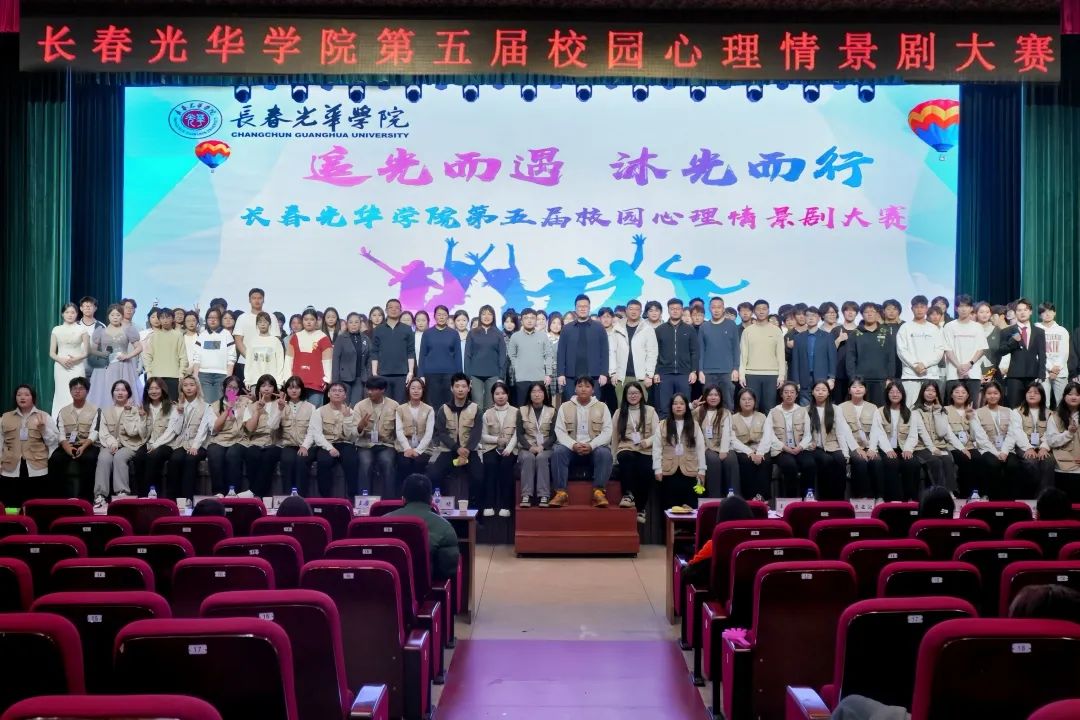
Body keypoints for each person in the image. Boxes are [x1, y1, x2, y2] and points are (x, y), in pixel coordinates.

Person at [551, 376, 614, 508]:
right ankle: (561, 493)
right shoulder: (564, 407)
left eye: (587, 386)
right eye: (580, 386)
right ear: (575, 389)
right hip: (571, 449)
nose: (583, 389)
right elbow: (560, 431)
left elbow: (607, 432)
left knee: (605, 453)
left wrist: (592, 445)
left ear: (593, 390)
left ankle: (598, 493)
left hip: (593, 449)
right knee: (558, 451)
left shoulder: (602, 407)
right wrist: (573, 445)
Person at [387, 474, 461, 582]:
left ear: (403, 499)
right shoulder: (445, 527)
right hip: (425, 589)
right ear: (431, 500)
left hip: (385, 588)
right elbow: (449, 570)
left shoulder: (382, 521)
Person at [426, 373, 483, 507]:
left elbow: (476, 432)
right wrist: (457, 448)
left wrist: (466, 450)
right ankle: (438, 506)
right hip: (449, 450)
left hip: (470, 452)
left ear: (469, 388)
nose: (460, 389)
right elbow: (441, 432)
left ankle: (475, 509)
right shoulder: (443, 409)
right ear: (451, 388)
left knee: (479, 477)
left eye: (463, 386)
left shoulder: (476, 409)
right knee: (433, 474)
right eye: (457, 386)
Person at [93, 380, 144, 507]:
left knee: (120, 457)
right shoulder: (105, 411)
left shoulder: (135, 410)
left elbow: (135, 432)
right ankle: (100, 495)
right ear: (113, 393)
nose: (120, 393)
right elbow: (103, 432)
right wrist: (112, 443)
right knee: (103, 458)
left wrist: (128, 413)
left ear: (128, 393)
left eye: (123, 390)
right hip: (110, 444)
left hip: (130, 445)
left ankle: (122, 493)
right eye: (117, 390)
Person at [652, 393, 707, 510]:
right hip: (668, 471)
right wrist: (657, 469)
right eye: (675, 403)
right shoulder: (662, 425)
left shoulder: (694, 425)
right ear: (671, 407)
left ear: (686, 407)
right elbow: (657, 448)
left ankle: (687, 523)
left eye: (681, 404)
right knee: (670, 506)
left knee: (689, 506)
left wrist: (702, 470)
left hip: (690, 470)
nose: (678, 406)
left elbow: (700, 449)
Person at [48, 377, 100, 499]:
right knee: (55, 459)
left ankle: (86, 499)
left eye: (81, 388)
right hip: (67, 445)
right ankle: (58, 499)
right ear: (70, 391)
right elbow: (60, 433)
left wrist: (83, 446)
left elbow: (94, 432)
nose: (77, 391)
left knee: (89, 459)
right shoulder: (63, 411)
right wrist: (67, 448)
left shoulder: (95, 410)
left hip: (87, 445)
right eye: (74, 388)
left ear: (87, 391)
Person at [87, 304, 143, 410]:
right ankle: (105, 416)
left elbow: (139, 347)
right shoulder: (100, 331)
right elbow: (93, 350)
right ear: (108, 316)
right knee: (105, 390)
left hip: (123, 366)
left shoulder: (127, 330)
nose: (115, 317)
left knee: (124, 390)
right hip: (105, 368)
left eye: (118, 315)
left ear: (122, 316)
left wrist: (127, 356)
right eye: (112, 315)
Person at [764, 382, 815, 498]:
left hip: (800, 448)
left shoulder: (802, 411)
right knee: (789, 465)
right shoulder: (773, 412)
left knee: (809, 464)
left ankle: (808, 497)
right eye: (786, 392)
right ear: (781, 394)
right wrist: (785, 447)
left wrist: (800, 447)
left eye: (792, 392)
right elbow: (769, 435)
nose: (789, 395)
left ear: (796, 395)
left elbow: (808, 434)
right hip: (781, 449)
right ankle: (790, 500)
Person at [873, 381, 923, 501]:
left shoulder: (910, 413)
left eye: (898, 392)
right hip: (886, 448)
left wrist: (908, 449)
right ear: (887, 394)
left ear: (902, 394)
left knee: (912, 463)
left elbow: (913, 435)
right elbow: (879, 433)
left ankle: (911, 498)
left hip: (904, 448)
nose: (895, 394)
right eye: (892, 392)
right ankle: (893, 499)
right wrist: (888, 450)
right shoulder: (879, 411)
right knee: (891, 462)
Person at [973, 380, 1022, 499]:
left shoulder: (1009, 411)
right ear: (984, 395)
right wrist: (996, 453)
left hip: (1007, 449)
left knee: (1013, 464)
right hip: (988, 450)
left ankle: (1010, 499)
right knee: (993, 464)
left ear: (1000, 394)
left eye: (995, 393)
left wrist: (1004, 451)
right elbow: (980, 437)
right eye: (989, 393)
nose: (992, 396)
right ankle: (993, 498)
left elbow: (1012, 434)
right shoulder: (977, 413)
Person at [839, 378, 886, 499]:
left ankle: (879, 497)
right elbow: (844, 432)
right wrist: (856, 448)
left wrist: (872, 448)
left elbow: (876, 430)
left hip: (869, 445)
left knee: (877, 461)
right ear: (849, 390)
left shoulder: (873, 407)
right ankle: (861, 497)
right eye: (854, 387)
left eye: (860, 387)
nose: (858, 389)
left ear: (865, 390)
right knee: (860, 461)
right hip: (851, 446)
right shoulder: (841, 407)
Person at [556, 294, 610, 401]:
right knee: (571, 406)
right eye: (580, 306)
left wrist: (604, 373)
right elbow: (561, 353)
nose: (582, 308)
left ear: (589, 308)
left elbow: (605, 352)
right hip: (570, 376)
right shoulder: (567, 329)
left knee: (593, 406)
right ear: (575, 308)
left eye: (585, 306)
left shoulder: (599, 327)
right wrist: (561, 374)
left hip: (594, 376)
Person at [311, 382, 359, 498]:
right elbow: (317, 435)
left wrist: (347, 418)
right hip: (326, 444)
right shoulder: (319, 411)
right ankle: (325, 499)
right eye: (334, 390)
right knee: (324, 461)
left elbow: (351, 436)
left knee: (352, 461)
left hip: (345, 443)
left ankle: (352, 497)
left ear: (345, 395)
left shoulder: (351, 412)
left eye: (340, 391)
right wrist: (330, 448)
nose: (337, 393)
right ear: (328, 394)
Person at [133, 377, 179, 497]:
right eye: (150, 388)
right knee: (138, 458)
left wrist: (156, 445)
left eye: (157, 388)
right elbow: (143, 434)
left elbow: (171, 432)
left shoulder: (172, 407)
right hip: (149, 443)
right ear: (147, 391)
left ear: (163, 389)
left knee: (154, 456)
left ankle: (154, 494)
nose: (154, 391)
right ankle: (142, 496)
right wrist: (142, 418)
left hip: (167, 444)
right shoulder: (144, 407)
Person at [653, 298, 699, 419]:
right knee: (664, 408)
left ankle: (684, 431)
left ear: (682, 310)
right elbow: (655, 353)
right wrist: (656, 372)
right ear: (668, 310)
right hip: (664, 374)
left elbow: (694, 352)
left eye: (678, 308)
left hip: (684, 374)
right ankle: (664, 430)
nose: (675, 311)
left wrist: (693, 371)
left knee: (684, 408)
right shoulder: (660, 329)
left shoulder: (689, 329)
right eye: (672, 308)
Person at [896, 295, 946, 407]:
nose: (919, 310)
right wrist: (915, 365)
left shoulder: (934, 329)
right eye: (916, 307)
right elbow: (901, 350)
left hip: (930, 374)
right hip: (910, 375)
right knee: (910, 407)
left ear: (927, 308)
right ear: (912, 309)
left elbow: (939, 350)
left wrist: (925, 364)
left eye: (922, 307)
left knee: (930, 408)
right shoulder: (905, 327)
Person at [807, 380, 852, 500]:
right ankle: (824, 499)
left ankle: (839, 499)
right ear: (812, 392)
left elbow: (840, 432)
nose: (820, 393)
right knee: (826, 460)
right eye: (817, 390)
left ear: (828, 393)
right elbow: (804, 433)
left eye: (823, 390)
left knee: (840, 460)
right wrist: (809, 444)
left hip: (833, 445)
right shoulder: (806, 410)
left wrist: (845, 453)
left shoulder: (836, 409)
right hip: (815, 447)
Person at [354, 376, 399, 497]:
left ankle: (389, 501)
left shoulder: (394, 405)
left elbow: (399, 430)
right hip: (365, 444)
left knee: (387, 462)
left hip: (386, 444)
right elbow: (354, 432)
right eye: (368, 389)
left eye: (373, 389)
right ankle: (364, 500)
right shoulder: (360, 406)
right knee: (365, 463)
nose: (369, 392)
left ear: (382, 390)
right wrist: (360, 427)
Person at [739, 299, 786, 412]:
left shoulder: (776, 331)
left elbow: (781, 355)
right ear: (754, 311)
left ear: (768, 311)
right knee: (752, 407)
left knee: (770, 408)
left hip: (772, 375)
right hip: (751, 374)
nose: (761, 311)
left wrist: (781, 375)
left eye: (764, 309)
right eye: (758, 309)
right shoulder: (747, 331)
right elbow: (743, 355)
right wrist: (741, 375)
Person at [169, 375, 210, 502]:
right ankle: (173, 500)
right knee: (175, 459)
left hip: (199, 444)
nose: (188, 388)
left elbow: (203, 429)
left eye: (192, 385)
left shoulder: (206, 406)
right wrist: (179, 413)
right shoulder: (177, 406)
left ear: (197, 387)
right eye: (185, 385)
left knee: (190, 459)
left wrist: (195, 446)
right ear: (181, 388)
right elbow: (176, 430)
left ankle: (188, 499)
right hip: (181, 443)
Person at [911, 381, 958, 494]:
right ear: (922, 392)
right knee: (935, 461)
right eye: (927, 390)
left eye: (933, 391)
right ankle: (939, 492)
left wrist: (937, 411)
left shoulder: (942, 410)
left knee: (947, 459)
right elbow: (922, 432)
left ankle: (950, 491)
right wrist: (932, 449)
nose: (930, 393)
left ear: (937, 394)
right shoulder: (915, 410)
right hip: (921, 447)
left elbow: (943, 432)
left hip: (939, 446)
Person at [206, 375, 249, 496]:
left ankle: (233, 492)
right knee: (215, 453)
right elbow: (215, 429)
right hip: (219, 439)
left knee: (232, 454)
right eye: (229, 387)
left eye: (235, 388)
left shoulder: (245, 403)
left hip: (240, 439)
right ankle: (218, 493)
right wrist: (228, 409)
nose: (232, 390)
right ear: (224, 388)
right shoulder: (214, 405)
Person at [480, 381, 518, 517]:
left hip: (511, 448)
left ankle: (505, 506)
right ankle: (489, 505)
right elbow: (483, 436)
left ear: (507, 394)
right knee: (490, 465)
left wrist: (509, 448)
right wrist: (497, 440)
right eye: (497, 394)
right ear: (492, 396)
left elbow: (517, 434)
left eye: (503, 393)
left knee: (506, 466)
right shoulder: (486, 413)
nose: (500, 396)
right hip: (491, 448)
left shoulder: (516, 412)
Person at [942, 294, 988, 408]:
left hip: (973, 374)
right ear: (956, 308)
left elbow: (981, 349)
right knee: (952, 408)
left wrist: (969, 364)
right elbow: (947, 349)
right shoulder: (949, 326)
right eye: (960, 306)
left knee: (972, 407)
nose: (963, 309)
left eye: (966, 306)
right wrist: (958, 366)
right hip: (953, 373)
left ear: (971, 308)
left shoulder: (977, 327)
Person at [695, 384, 741, 498]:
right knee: (713, 460)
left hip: (721, 446)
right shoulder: (698, 411)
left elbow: (727, 433)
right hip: (704, 447)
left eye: (716, 395)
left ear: (720, 397)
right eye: (710, 395)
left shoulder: (726, 412)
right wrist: (692, 405)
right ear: (706, 396)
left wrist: (724, 450)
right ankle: (714, 497)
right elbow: (685, 418)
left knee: (731, 458)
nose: (713, 397)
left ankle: (733, 497)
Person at [1000, 298, 1047, 408]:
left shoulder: (1039, 332)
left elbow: (1042, 355)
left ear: (1030, 312)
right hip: (1014, 375)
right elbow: (1001, 351)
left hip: (1033, 375)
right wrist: (1013, 341)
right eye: (1019, 310)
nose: (1022, 313)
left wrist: (1042, 374)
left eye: (1025, 310)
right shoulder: (1007, 331)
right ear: (1015, 313)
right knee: (1014, 407)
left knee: (1032, 407)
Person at [846, 303, 894, 407]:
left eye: (872, 312)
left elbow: (891, 357)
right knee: (861, 410)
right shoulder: (855, 334)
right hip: (861, 381)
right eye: (866, 312)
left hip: (881, 380)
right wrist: (853, 379)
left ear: (877, 314)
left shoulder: (885, 333)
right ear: (862, 315)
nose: (870, 314)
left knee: (880, 410)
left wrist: (890, 378)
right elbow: (850, 358)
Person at [241, 374, 282, 498]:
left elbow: (276, 426)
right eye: (263, 386)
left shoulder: (280, 403)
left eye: (270, 386)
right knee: (251, 454)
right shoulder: (251, 406)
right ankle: (258, 495)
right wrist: (257, 411)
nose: (267, 389)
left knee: (269, 456)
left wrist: (280, 408)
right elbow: (250, 429)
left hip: (275, 442)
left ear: (274, 388)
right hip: (255, 441)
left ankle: (253, 492)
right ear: (258, 388)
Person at [1013, 381, 1057, 495]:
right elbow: (1017, 432)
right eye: (1029, 392)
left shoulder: (1050, 413)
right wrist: (1028, 448)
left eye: (1036, 393)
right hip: (1024, 446)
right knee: (1031, 462)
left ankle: (1044, 497)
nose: (1032, 395)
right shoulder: (1017, 412)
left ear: (1042, 396)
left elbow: (1050, 433)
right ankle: (1031, 495)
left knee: (1049, 461)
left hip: (1043, 447)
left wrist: (1044, 447)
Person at [518, 382, 557, 508]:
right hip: (527, 446)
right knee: (528, 457)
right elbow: (519, 434)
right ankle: (526, 495)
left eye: (540, 391)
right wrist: (530, 447)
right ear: (529, 394)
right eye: (534, 391)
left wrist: (542, 447)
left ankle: (544, 495)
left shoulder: (552, 411)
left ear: (544, 394)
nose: (537, 394)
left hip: (546, 447)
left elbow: (554, 435)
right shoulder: (522, 410)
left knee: (541, 457)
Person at [506, 308, 555, 409]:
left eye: (532, 318)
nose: (529, 320)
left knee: (539, 408)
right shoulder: (515, 336)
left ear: (536, 320)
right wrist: (517, 367)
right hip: (521, 379)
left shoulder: (543, 336)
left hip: (539, 378)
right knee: (522, 408)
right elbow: (512, 355)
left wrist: (548, 374)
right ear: (521, 320)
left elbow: (548, 355)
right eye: (526, 318)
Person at [729, 388, 772, 500]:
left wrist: (760, 452)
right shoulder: (733, 418)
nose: (747, 402)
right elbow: (733, 440)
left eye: (750, 399)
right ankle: (749, 498)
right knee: (746, 462)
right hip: (742, 450)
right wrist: (749, 452)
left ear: (755, 401)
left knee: (765, 461)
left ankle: (764, 498)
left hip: (760, 448)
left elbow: (767, 436)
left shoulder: (762, 416)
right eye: (743, 399)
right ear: (738, 401)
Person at [232, 288, 280, 385]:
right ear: (249, 300)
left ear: (263, 299)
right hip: (245, 362)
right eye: (254, 298)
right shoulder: (242, 318)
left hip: (267, 363)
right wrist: (250, 357)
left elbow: (276, 340)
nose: (257, 300)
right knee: (245, 391)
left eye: (259, 298)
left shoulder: (271, 317)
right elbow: (238, 340)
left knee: (265, 390)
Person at [789, 306, 836, 406]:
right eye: (808, 315)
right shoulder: (798, 338)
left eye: (814, 315)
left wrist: (831, 378)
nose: (810, 318)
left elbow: (832, 359)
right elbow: (795, 361)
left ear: (819, 318)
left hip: (822, 378)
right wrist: (796, 381)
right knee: (805, 408)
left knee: (822, 408)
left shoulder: (828, 337)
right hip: (804, 379)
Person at [371, 298, 415, 403]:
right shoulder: (378, 329)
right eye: (391, 307)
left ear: (401, 310)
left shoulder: (407, 329)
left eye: (397, 308)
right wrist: (374, 373)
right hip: (383, 374)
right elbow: (374, 352)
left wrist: (410, 372)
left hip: (402, 374)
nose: (394, 310)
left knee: (401, 405)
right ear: (386, 310)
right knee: (385, 405)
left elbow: (410, 351)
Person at [286, 308, 333, 407]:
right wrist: (287, 378)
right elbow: (289, 360)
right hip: (297, 384)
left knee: (314, 413)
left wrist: (327, 379)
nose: (308, 322)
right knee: (297, 412)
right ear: (302, 321)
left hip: (316, 383)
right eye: (306, 319)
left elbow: (327, 361)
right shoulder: (295, 337)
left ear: (316, 321)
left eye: (312, 319)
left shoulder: (323, 338)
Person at [49, 303, 90, 416]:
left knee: (78, 390)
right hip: (60, 367)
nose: (70, 315)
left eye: (73, 312)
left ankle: (79, 419)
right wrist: (61, 360)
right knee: (61, 392)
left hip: (77, 366)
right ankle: (58, 419)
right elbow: (52, 353)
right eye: (67, 312)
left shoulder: (82, 329)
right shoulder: (56, 329)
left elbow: (86, 352)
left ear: (77, 314)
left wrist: (75, 359)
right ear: (62, 314)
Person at [277, 376, 316, 495]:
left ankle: (302, 496)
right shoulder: (280, 405)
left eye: (297, 388)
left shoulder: (311, 407)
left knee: (301, 460)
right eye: (290, 388)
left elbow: (313, 430)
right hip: (288, 444)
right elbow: (273, 426)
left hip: (306, 445)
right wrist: (279, 410)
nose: (294, 390)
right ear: (286, 390)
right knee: (287, 461)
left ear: (302, 389)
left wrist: (305, 446)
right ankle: (287, 497)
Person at [464, 304, 506, 413]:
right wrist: (468, 377)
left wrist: (501, 376)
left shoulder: (498, 334)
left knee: (490, 406)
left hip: (493, 374)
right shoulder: (472, 333)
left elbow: (502, 356)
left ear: (493, 316)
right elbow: (467, 356)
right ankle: (478, 424)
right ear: (480, 316)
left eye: (489, 314)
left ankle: (489, 425)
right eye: (484, 314)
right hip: (475, 375)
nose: (486, 317)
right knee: (477, 405)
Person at [191, 307, 236, 404]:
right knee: (207, 404)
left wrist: (228, 377)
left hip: (222, 375)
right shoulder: (202, 335)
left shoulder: (226, 334)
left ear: (220, 319)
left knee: (223, 403)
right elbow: (197, 357)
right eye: (210, 317)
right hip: (204, 375)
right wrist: (195, 375)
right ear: (206, 319)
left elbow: (231, 357)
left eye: (215, 318)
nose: (212, 320)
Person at [419, 305, 460, 410]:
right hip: (431, 374)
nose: (441, 317)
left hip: (450, 374)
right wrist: (421, 374)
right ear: (434, 316)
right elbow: (422, 355)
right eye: (439, 314)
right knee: (433, 404)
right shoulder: (427, 333)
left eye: (444, 315)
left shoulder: (454, 334)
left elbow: (458, 356)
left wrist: (459, 376)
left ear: (448, 317)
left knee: (449, 404)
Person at [395, 377, 435, 486]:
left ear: (423, 390)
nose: (416, 391)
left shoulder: (429, 409)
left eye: (419, 388)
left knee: (419, 463)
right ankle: (403, 493)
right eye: (413, 388)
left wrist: (418, 450)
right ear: (408, 390)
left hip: (423, 448)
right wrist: (407, 448)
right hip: (404, 447)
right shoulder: (400, 409)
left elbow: (429, 433)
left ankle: (419, 492)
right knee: (404, 464)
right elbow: (399, 431)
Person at [142, 307, 188, 399]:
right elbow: (147, 356)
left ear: (173, 319)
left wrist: (181, 373)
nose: (165, 320)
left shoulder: (178, 335)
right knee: (157, 403)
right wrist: (149, 372)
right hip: (156, 376)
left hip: (174, 376)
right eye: (162, 318)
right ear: (159, 319)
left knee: (172, 403)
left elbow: (183, 356)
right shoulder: (153, 336)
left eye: (168, 317)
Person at [944, 383, 980, 499]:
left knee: (978, 458)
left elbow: (974, 436)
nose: (960, 395)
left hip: (970, 445)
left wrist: (971, 419)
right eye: (957, 392)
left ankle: (975, 492)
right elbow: (948, 434)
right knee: (964, 459)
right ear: (951, 395)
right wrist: (962, 448)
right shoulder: (945, 410)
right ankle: (964, 494)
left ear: (968, 395)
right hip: (952, 446)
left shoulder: (972, 411)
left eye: (963, 392)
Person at [1047, 381, 1080, 500]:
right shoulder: (1055, 416)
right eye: (1070, 394)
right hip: (1063, 465)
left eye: (1077, 394)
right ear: (1064, 396)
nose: (1074, 397)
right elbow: (1052, 441)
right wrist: (1068, 433)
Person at [332, 312, 371, 405]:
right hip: (344, 378)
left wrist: (368, 376)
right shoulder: (341, 339)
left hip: (360, 378)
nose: (354, 324)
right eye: (351, 322)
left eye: (356, 322)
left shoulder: (366, 339)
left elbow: (369, 359)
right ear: (347, 324)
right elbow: (336, 360)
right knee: (342, 405)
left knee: (356, 406)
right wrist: (335, 381)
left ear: (360, 324)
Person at [1037, 302, 1070, 408]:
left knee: (1062, 404)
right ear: (1040, 315)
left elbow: (1065, 352)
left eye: (1050, 311)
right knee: (1044, 404)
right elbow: (1036, 353)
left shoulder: (1062, 331)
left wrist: (1056, 369)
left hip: (1060, 372)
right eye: (1044, 312)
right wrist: (1050, 368)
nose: (1047, 314)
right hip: (1042, 372)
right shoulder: (1036, 329)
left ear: (1054, 313)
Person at [243, 312, 286, 390]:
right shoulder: (252, 341)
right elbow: (248, 362)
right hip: (254, 381)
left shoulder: (275, 341)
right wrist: (247, 380)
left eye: (265, 322)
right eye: (260, 322)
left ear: (269, 324)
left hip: (271, 382)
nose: (263, 324)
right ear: (257, 324)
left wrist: (279, 382)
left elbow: (280, 363)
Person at [599, 307, 628, 411]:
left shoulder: (619, 332)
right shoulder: (596, 333)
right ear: (599, 318)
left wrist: (616, 372)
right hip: (599, 374)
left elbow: (622, 354)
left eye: (608, 316)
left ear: (612, 318)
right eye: (603, 317)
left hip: (615, 375)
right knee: (599, 404)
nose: (606, 319)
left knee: (614, 404)